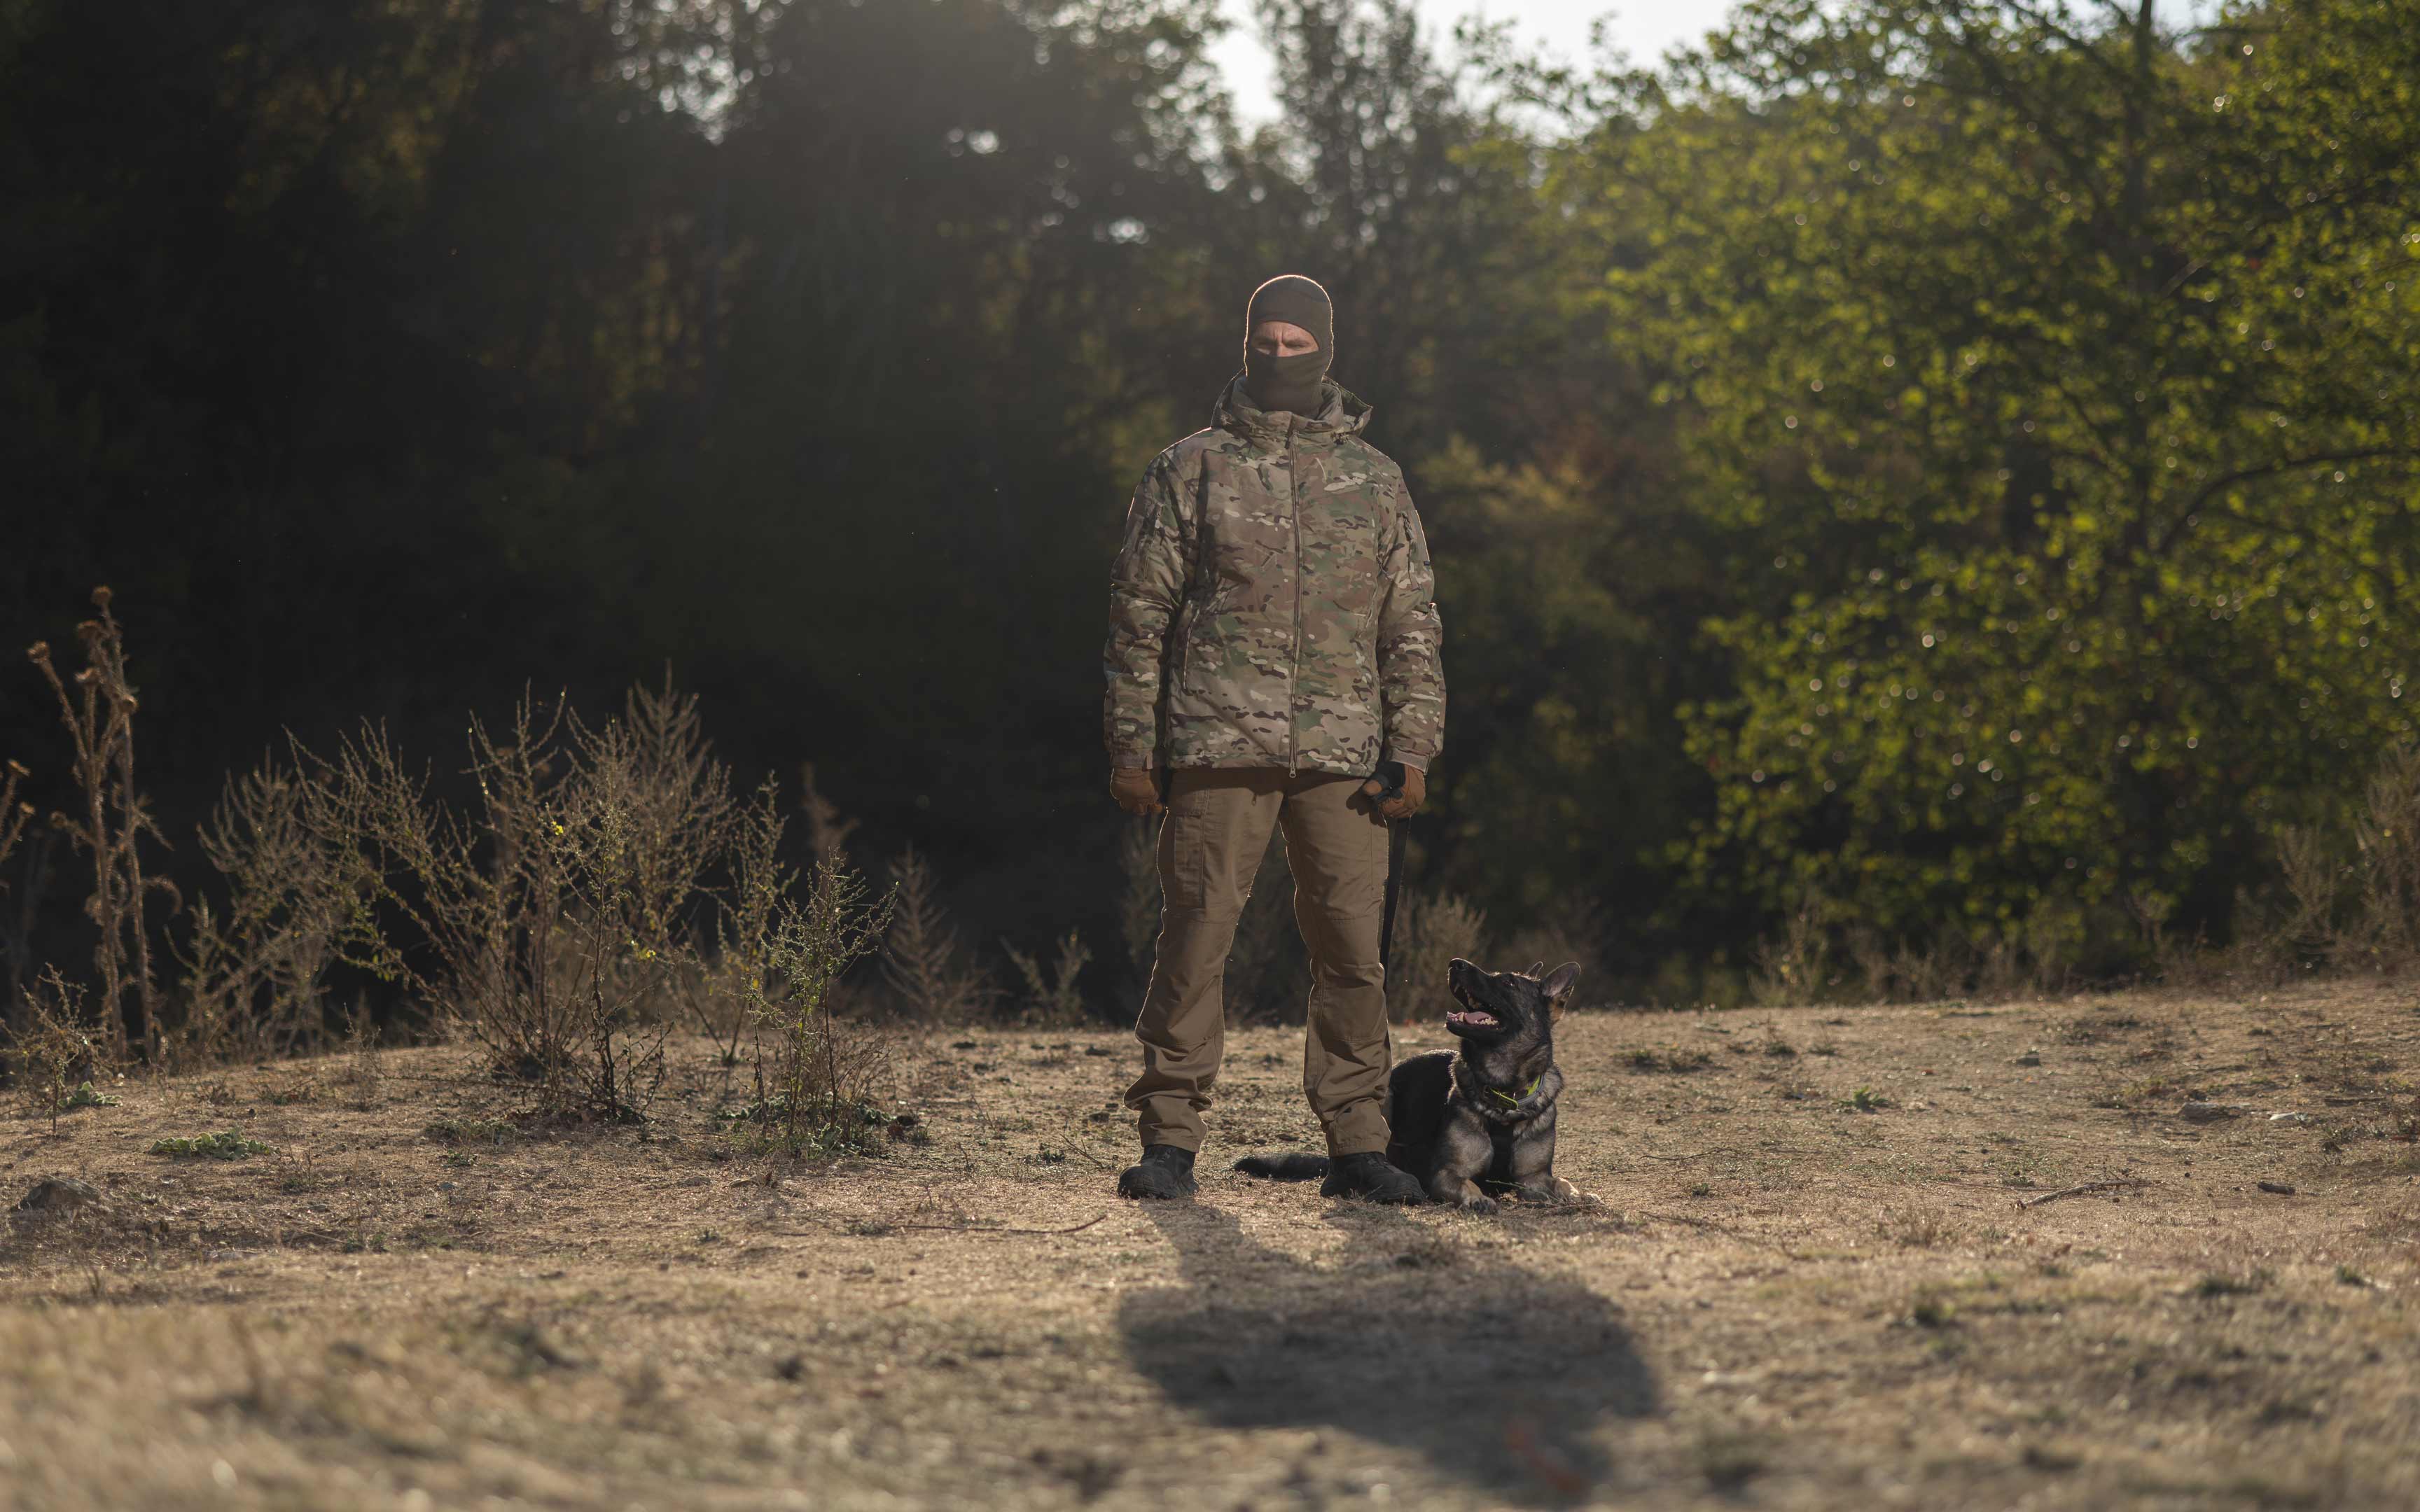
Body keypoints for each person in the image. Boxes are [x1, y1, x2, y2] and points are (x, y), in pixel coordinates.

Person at [1101, 273, 1445, 1203]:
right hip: (1216, 744)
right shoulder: (1192, 468)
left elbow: (1411, 623)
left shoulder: (1374, 479)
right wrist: (1133, 748)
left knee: (1353, 956)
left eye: (1299, 344)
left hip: (1346, 754)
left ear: (1327, 351)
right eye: (1268, 341)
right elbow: (1139, 614)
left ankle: (1359, 1146)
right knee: (1194, 943)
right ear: (1246, 343)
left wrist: (1413, 749)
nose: (1281, 356)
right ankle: (1169, 1142)